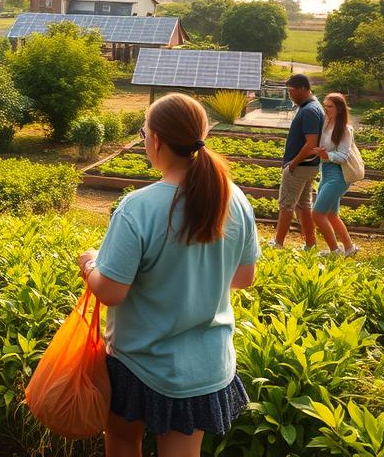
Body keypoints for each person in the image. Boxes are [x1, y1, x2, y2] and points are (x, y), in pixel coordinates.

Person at [77, 93, 258, 457]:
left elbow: (111, 292)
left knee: (125, 441)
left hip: (139, 361)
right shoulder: (234, 198)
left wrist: (90, 264)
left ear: (156, 139)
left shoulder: (138, 206)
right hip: (207, 367)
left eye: (144, 133)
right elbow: (243, 278)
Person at [272, 73, 323, 249]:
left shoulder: (309, 110)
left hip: (300, 167)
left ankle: (278, 243)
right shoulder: (312, 107)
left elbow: (311, 143)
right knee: (303, 206)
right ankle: (311, 243)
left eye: (291, 91)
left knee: (286, 204)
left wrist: (292, 164)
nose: (290, 95)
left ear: (302, 89)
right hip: (308, 166)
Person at [311, 93, 360, 257]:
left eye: (330, 106)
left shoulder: (345, 129)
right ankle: (349, 248)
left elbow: (343, 156)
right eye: (325, 105)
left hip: (339, 175)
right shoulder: (324, 122)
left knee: (317, 214)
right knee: (331, 215)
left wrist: (327, 155)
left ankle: (335, 251)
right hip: (325, 172)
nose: (326, 109)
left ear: (339, 109)